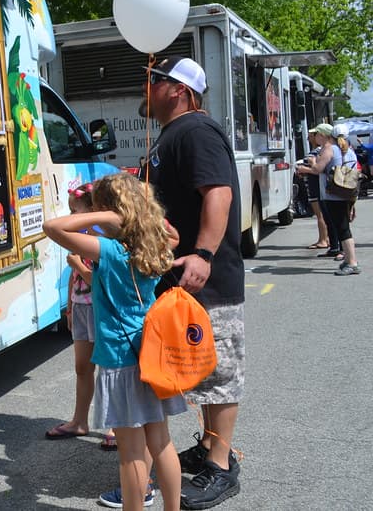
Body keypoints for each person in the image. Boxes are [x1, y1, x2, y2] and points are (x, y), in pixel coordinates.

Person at [138, 56, 244, 510]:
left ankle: (221, 464)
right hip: (179, 279)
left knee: (217, 373)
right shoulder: (172, 134)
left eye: (154, 81)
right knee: (193, 367)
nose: (146, 88)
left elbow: (218, 191)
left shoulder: (196, 131)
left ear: (178, 89)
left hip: (207, 281)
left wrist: (203, 253)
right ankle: (207, 448)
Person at [44, 172, 185, 511]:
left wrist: (107, 216)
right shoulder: (152, 243)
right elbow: (175, 235)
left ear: (111, 209)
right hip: (151, 353)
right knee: (161, 441)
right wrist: (140, 212)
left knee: (132, 452)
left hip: (120, 358)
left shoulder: (108, 249)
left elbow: (53, 227)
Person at [44, 183, 117, 451]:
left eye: (76, 210)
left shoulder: (102, 238)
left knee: (109, 370)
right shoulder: (76, 235)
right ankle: (79, 420)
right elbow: (72, 278)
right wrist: (70, 307)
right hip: (81, 306)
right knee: (82, 368)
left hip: (100, 308)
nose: (71, 215)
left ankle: (114, 425)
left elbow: (101, 281)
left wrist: (77, 264)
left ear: (93, 210)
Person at [298, 123, 360, 275]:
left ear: (330, 135)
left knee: (342, 229)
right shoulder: (350, 151)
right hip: (347, 193)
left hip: (333, 194)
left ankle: (352, 262)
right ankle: (348, 260)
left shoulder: (330, 149)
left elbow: (317, 169)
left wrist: (305, 168)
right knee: (344, 227)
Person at [300, 125, 334, 250]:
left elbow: (317, 169)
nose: (309, 138)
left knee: (320, 214)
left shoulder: (320, 150)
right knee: (321, 214)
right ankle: (326, 238)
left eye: (312, 136)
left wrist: (304, 169)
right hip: (315, 184)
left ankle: (323, 239)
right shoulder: (321, 150)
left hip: (315, 185)